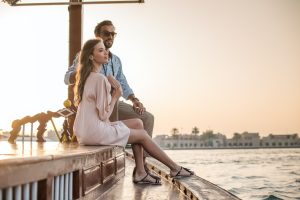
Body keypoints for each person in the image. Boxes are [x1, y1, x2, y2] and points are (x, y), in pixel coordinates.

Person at [73, 38, 194, 185]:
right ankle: (175, 168)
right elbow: (104, 115)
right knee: (142, 135)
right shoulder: (100, 80)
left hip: (84, 132)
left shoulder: (86, 78)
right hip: (95, 132)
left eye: (105, 50)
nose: (106, 53)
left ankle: (141, 172)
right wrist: (116, 95)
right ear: (91, 56)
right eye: (100, 50)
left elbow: (100, 116)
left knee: (137, 122)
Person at [64, 20, 155, 177]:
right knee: (110, 117)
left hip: (113, 100)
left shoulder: (116, 60)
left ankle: (142, 166)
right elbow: (67, 78)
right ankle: (112, 168)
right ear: (98, 35)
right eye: (107, 33)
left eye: (113, 34)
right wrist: (89, 70)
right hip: (96, 106)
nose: (111, 37)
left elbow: (123, 83)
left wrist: (134, 99)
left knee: (145, 117)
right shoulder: (84, 55)